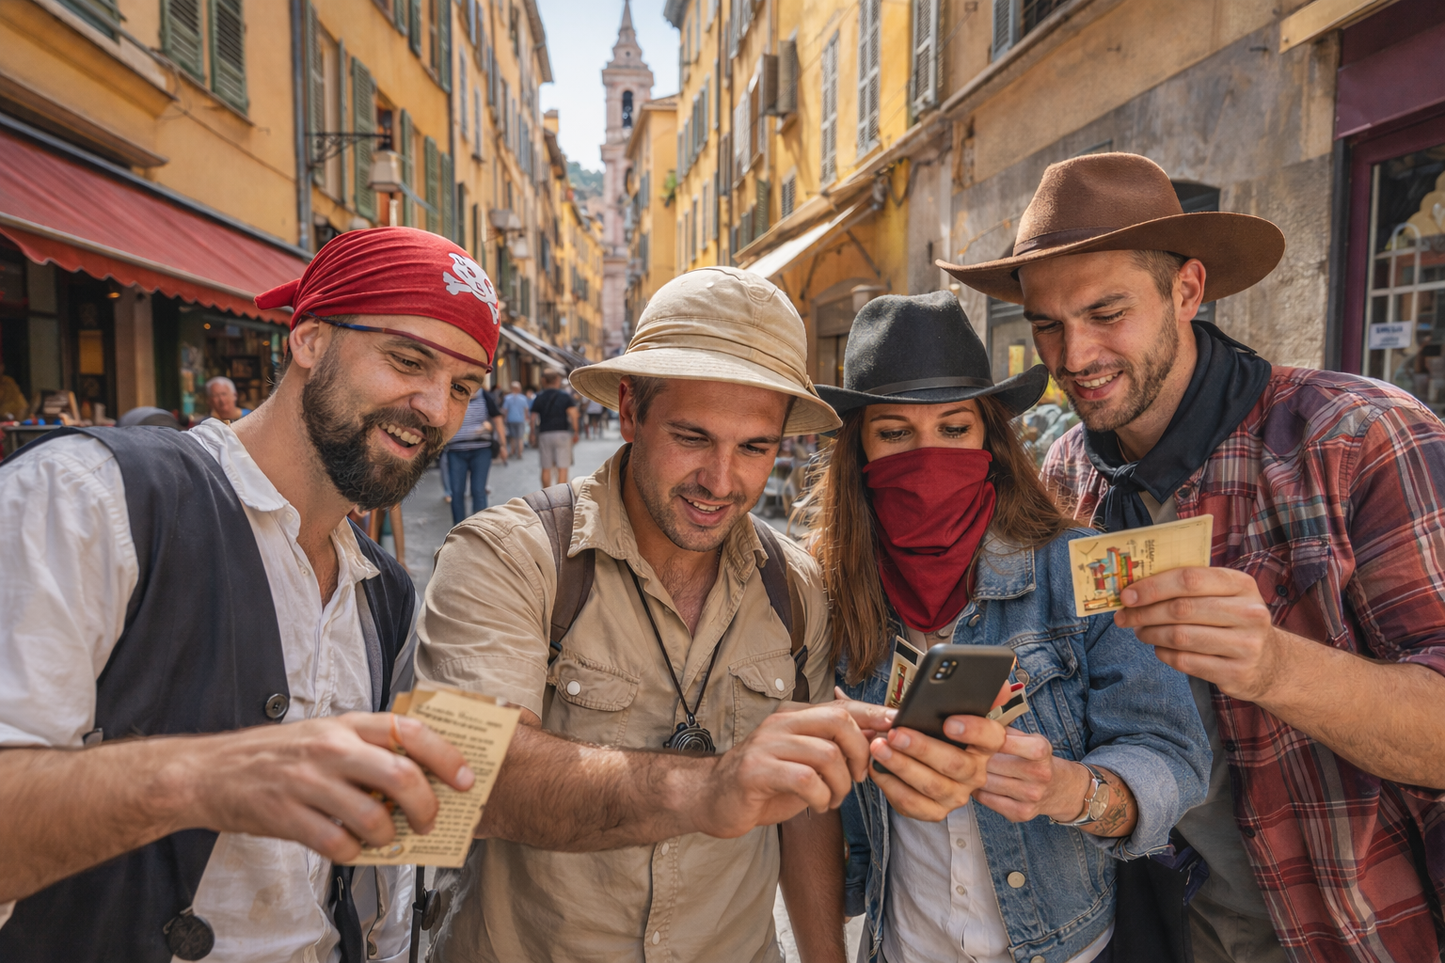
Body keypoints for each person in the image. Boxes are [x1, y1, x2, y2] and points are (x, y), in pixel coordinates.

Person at [944, 152, 1445, 962]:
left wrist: (1273, 665)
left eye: (1106, 312)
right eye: (1046, 324)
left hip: (1358, 929)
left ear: (1186, 290)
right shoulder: (1065, 477)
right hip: (1154, 927)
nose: (1072, 357)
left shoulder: (1358, 437)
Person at [0, 227, 493, 960]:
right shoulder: (90, 495)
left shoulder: (384, 593)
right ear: (310, 338)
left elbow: (376, 884)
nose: (434, 408)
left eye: (463, 387)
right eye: (406, 359)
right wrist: (204, 778)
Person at [413, 267, 920, 963]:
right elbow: (463, 780)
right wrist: (709, 787)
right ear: (628, 411)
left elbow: (806, 811)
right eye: (692, 437)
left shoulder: (794, 585)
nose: (721, 480)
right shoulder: (507, 555)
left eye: (754, 448)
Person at [800, 291, 1208, 963]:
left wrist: (1069, 791)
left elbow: (1174, 755)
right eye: (895, 432)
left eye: (954, 428)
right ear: (860, 453)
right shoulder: (825, 595)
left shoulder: (1075, 570)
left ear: (989, 439)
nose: (926, 457)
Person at [443, 385, 507, 524]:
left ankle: (479, 530)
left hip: (481, 450)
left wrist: (502, 445)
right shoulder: (450, 393)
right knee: (457, 492)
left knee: (478, 490)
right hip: (455, 450)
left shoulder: (484, 395)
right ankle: (458, 531)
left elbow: (497, 418)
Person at [530, 368, 578, 488]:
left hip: (544, 434)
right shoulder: (565, 397)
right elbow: (573, 415)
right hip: (562, 433)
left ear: (543, 381)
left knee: (546, 467)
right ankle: (560, 497)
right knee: (563, 467)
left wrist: (532, 433)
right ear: (557, 380)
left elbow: (532, 418)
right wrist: (576, 431)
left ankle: (546, 496)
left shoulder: (539, 397)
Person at [501, 380, 530, 458]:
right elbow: (526, 409)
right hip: (520, 419)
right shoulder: (523, 398)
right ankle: (520, 453)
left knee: (512, 437)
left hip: (510, 419)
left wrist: (504, 419)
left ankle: (512, 451)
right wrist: (526, 417)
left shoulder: (507, 398)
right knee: (520, 437)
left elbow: (505, 410)